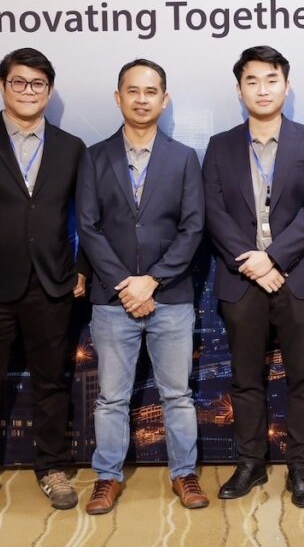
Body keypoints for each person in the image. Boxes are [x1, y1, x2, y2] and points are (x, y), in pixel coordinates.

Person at [0, 47, 88, 521]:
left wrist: (81, 268)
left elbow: (88, 216)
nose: (29, 91)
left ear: (49, 90)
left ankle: (52, 467)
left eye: (38, 83)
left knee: (52, 384)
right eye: (19, 82)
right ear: (2, 86)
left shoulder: (71, 147)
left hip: (51, 285)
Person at [203, 46, 304, 508]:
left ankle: (301, 468)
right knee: (245, 378)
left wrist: (274, 258)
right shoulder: (220, 146)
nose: (262, 89)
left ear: (287, 86)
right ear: (239, 89)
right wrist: (251, 262)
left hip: (298, 279)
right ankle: (250, 463)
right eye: (252, 81)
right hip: (242, 281)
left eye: (271, 79)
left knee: (303, 377)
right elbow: (213, 211)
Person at [76, 59, 207, 513]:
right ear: (118, 98)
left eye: (151, 91)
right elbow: (88, 226)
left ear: (164, 99)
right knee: (111, 398)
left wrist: (151, 280)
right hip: (112, 300)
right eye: (132, 91)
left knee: (178, 395)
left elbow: (193, 227)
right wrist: (122, 283)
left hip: (170, 296)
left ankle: (185, 474)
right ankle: (107, 477)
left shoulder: (184, 157)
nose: (141, 99)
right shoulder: (94, 156)